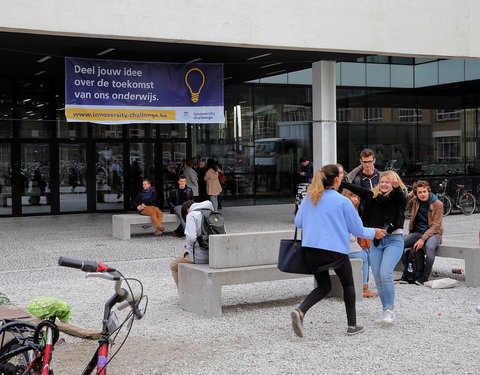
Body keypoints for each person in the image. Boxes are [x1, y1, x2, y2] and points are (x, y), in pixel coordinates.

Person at [291, 164, 386, 337]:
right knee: (348, 284)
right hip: (335, 250)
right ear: (336, 179)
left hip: (311, 250)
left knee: (324, 286)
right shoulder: (343, 201)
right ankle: (352, 325)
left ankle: (301, 311)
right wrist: (375, 232)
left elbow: (298, 223)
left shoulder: (309, 198)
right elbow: (358, 230)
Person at [341, 170, 407, 324]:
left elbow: (402, 201)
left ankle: (390, 310)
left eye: (388, 182)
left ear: (394, 184)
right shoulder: (373, 197)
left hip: (394, 240)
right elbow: (358, 190)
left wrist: (397, 189)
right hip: (377, 241)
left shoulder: (398, 198)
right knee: (377, 276)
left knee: (385, 274)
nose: (384, 184)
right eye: (382, 182)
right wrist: (341, 182)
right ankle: (385, 310)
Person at [399, 180, 444, 284]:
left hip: (434, 233)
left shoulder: (438, 204)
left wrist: (423, 239)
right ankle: (407, 271)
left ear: (428, 191)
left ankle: (425, 276)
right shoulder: (415, 201)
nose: (422, 194)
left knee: (429, 247)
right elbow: (402, 206)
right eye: (420, 192)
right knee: (398, 244)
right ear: (416, 193)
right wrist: (409, 196)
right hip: (417, 232)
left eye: (424, 191)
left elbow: (436, 225)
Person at [342, 188, 378, 297]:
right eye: (352, 196)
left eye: (356, 197)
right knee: (364, 257)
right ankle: (363, 287)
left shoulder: (354, 209)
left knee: (367, 253)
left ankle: (366, 284)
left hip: (348, 243)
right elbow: (355, 232)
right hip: (346, 245)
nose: (355, 199)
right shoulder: (348, 210)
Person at [170, 200, 214, 286]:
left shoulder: (191, 215)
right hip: (215, 256)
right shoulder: (214, 214)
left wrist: (187, 245)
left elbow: (191, 239)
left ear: (187, 211)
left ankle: (183, 293)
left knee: (173, 266)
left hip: (200, 257)